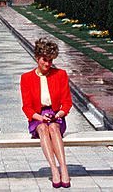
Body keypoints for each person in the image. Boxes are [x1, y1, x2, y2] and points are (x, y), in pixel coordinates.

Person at [20, 38, 72, 188]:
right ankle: (54, 170)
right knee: (43, 128)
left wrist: (58, 114)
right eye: (44, 60)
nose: (47, 64)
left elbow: (67, 103)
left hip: (56, 115)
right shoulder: (26, 78)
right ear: (37, 58)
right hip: (37, 116)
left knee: (53, 128)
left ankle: (64, 168)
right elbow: (27, 107)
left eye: (50, 60)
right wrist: (40, 117)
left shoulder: (60, 75)